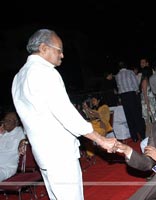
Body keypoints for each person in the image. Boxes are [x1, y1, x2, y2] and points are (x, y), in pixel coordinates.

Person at [11, 29, 117, 200]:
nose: (62, 55)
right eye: (59, 49)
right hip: (59, 153)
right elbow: (66, 114)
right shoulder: (45, 72)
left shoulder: (18, 77)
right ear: (44, 48)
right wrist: (100, 139)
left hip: (43, 154)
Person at [0, 111, 25, 182]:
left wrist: (23, 141)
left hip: (5, 168)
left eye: (9, 120)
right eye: (4, 120)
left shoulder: (20, 131)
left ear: (16, 122)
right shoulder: (2, 133)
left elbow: (31, 136)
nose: (5, 122)